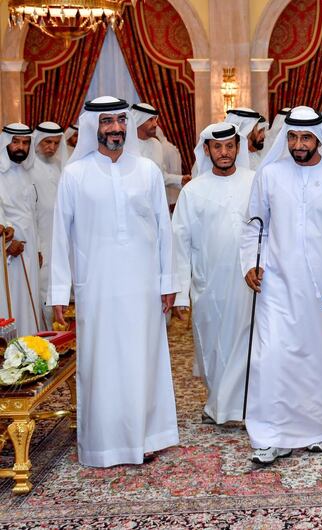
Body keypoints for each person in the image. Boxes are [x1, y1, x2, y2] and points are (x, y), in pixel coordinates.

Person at [49, 96, 179, 467]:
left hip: (142, 286)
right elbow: (61, 236)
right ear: (93, 127)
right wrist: (60, 290)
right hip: (98, 287)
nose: (115, 129)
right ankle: (105, 444)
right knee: (102, 364)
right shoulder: (74, 175)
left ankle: (146, 437)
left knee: (144, 358)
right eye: (107, 122)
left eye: (120, 121)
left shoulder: (148, 172)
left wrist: (167, 280)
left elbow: (162, 230)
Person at [240, 106, 322, 466]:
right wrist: (250, 262)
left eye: (306, 137)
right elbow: (252, 225)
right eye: (292, 136)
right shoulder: (270, 174)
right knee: (272, 355)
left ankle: (321, 428)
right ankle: (271, 433)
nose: (298, 144)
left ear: (318, 138)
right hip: (277, 284)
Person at [172, 122, 254, 425]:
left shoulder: (254, 181)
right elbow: (179, 244)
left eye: (230, 146)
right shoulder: (193, 190)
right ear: (207, 150)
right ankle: (218, 402)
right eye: (217, 147)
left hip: (249, 282)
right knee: (213, 344)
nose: (224, 152)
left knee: (247, 341)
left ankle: (241, 407)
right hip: (209, 283)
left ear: (237, 148)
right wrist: (181, 293)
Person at [0, 123, 40, 336]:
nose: (21, 147)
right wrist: (7, 243)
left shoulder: (26, 173)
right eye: (15, 141)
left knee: (30, 297)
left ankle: (32, 344)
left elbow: (33, 214)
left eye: (25, 142)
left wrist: (38, 248)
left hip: (29, 247)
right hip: (9, 253)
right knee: (14, 300)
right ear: (6, 143)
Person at [31, 122, 68, 329]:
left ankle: (54, 339)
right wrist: (35, 246)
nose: (51, 147)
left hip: (57, 237)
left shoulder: (57, 166)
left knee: (55, 288)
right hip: (40, 239)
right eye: (47, 142)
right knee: (43, 289)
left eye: (55, 143)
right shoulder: (29, 167)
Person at [130, 103, 189, 207]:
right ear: (139, 121)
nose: (155, 124)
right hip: (134, 204)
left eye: (155, 119)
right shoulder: (126, 146)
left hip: (156, 202)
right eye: (150, 120)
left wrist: (180, 179)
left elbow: (160, 175)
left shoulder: (156, 144)